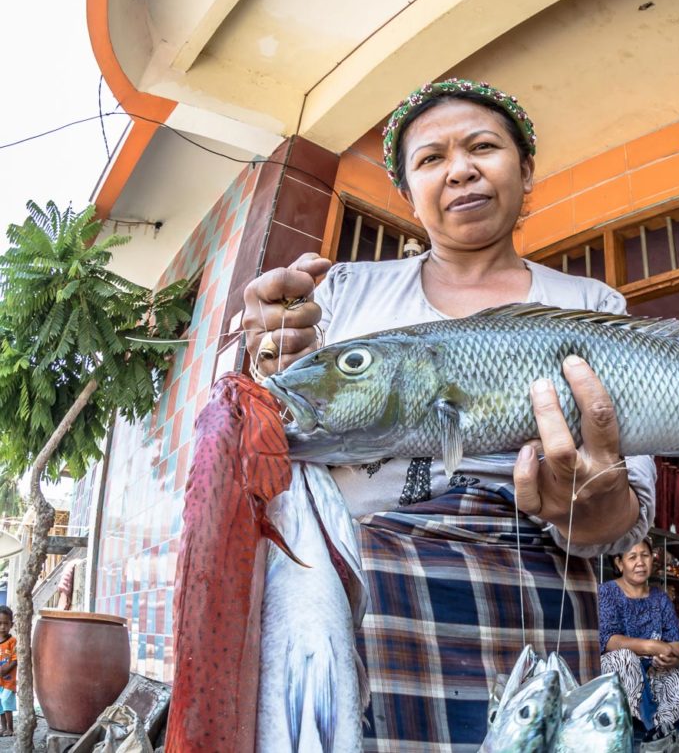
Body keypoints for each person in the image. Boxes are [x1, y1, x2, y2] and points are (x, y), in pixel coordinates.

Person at [242, 78, 657, 750]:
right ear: (407, 192)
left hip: (544, 588)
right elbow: (269, 428)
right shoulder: (343, 294)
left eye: (483, 147)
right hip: (373, 588)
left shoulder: (593, 307)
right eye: (431, 159)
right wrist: (264, 355)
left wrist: (585, 503)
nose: (459, 168)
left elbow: (620, 519)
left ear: (525, 170)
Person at [598, 539, 679, 745]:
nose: (640, 562)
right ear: (619, 564)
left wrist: (674, 658)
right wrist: (652, 646)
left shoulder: (660, 598)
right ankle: (649, 731)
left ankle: (675, 731)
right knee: (624, 658)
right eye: (632, 557)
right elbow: (608, 640)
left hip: (654, 669)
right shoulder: (607, 592)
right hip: (620, 671)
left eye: (645, 556)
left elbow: (676, 640)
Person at [0, 605, 16, 738]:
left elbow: (15, 660)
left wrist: (5, 669)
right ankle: (3, 728)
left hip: (9, 680)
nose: (2, 627)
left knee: (6, 701)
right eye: (0, 624)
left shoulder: (12, 642)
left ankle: (10, 728)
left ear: (12, 624)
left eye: (6, 623)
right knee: (0, 704)